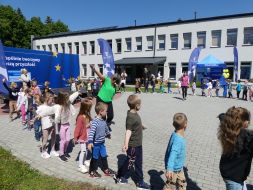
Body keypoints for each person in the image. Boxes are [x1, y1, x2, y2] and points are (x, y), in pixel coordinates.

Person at [114, 94, 151, 190]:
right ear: (137, 106)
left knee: (131, 162)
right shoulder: (131, 117)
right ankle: (140, 183)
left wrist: (140, 126)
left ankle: (119, 176)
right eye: (140, 104)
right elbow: (128, 131)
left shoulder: (132, 113)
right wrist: (126, 144)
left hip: (138, 144)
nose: (141, 105)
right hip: (134, 146)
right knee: (135, 163)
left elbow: (134, 125)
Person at [218, 107, 253, 190]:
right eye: (248, 120)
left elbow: (222, 116)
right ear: (244, 122)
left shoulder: (228, 128)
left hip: (229, 171)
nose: (249, 122)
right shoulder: (247, 137)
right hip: (234, 177)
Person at [87, 102, 115, 178]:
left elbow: (106, 128)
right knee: (95, 157)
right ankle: (92, 172)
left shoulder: (103, 120)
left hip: (102, 143)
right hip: (95, 144)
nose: (107, 112)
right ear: (100, 112)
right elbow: (91, 133)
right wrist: (90, 142)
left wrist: (108, 134)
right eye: (106, 111)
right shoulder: (95, 122)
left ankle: (106, 170)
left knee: (104, 155)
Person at [163, 113, 188, 190]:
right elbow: (172, 154)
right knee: (169, 187)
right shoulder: (178, 139)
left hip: (179, 167)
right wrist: (169, 168)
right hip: (173, 169)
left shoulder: (175, 133)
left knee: (182, 184)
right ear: (185, 125)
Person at [55, 91, 79, 161]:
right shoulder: (59, 107)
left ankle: (65, 151)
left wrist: (78, 92)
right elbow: (57, 116)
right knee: (63, 140)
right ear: (63, 99)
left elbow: (72, 97)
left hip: (67, 124)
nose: (68, 99)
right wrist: (57, 122)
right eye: (66, 98)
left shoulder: (68, 103)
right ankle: (61, 154)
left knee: (68, 140)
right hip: (61, 125)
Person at [36, 93, 59, 159]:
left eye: (53, 100)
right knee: (45, 139)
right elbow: (36, 114)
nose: (52, 101)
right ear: (46, 99)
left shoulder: (52, 105)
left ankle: (52, 150)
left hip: (53, 124)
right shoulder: (41, 107)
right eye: (51, 100)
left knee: (53, 137)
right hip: (45, 126)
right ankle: (43, 152)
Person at [74, 98, 93, 173]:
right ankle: (80, 165)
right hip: (82, 136)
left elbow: (88, 124)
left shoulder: (87, 115)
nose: (90, 109)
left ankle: (84, 161)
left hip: (88, 135)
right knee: (83, 150)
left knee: (88, 149)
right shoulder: (80, 117)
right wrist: (75, 137)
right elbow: (78, 128)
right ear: (85, 108)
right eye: (89, 108)